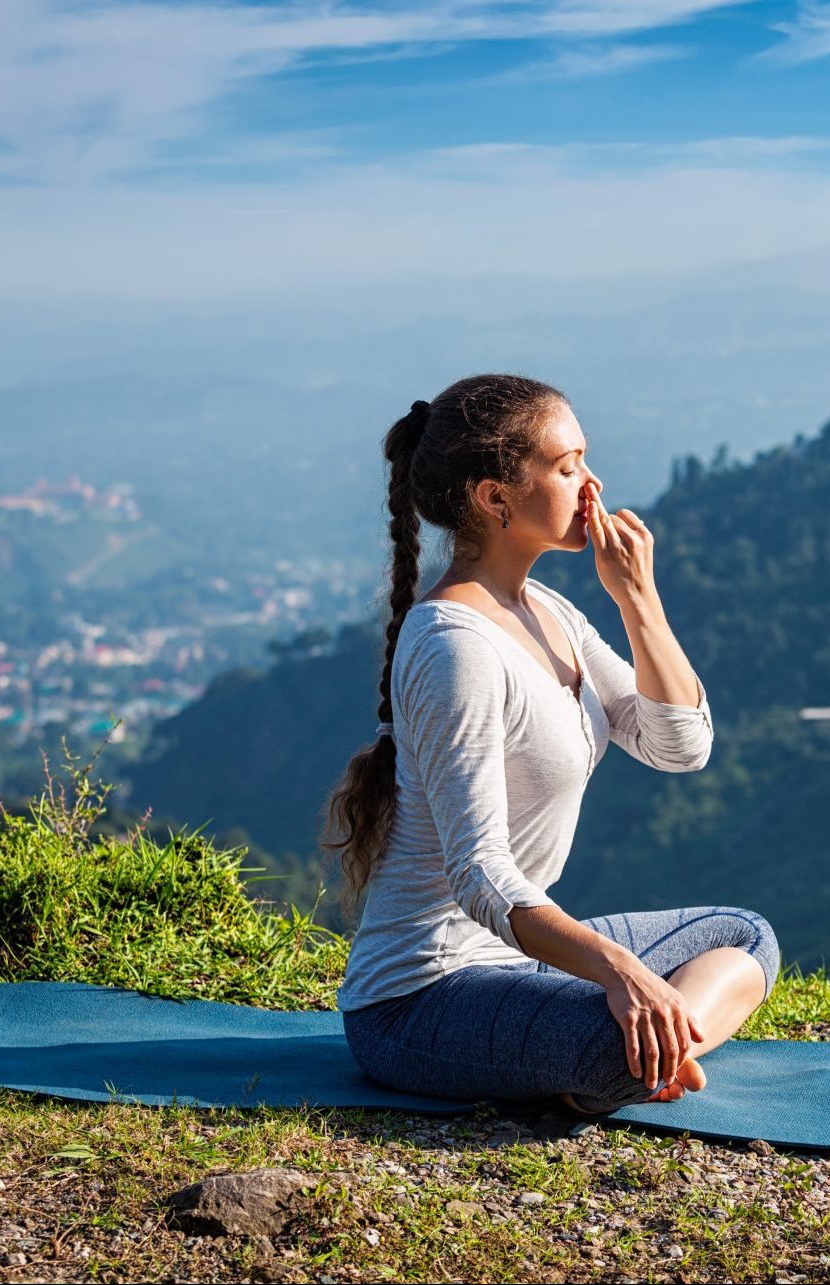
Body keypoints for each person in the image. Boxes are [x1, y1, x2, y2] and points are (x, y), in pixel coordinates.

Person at [321, 373, 780, 1116]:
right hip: (418, 1002)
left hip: (514, 964)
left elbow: (679, 745)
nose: (591, 484)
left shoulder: (550, 611)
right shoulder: (453, 648)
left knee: (744, 937)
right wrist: (618, 970)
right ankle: (630, 1059)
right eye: (567, 467)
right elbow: (481, 874)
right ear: (495, 498)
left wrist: (639, 599)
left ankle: (647, 1056)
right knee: (615, 1030)